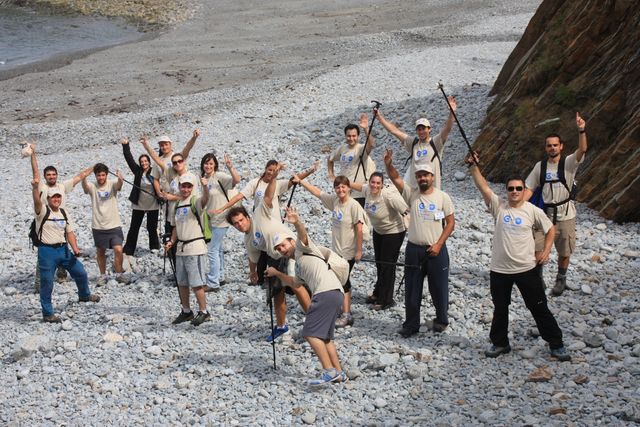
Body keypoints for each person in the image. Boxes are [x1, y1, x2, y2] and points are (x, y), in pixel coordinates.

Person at [466, 152, 571, 361]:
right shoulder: (499, 207)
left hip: (526, 269)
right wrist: (473, 167)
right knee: (500, 308)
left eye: (518, 189)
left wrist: (547, 250)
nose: (514, 192)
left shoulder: (532, 211)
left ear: (524, 191)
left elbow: (551, 229)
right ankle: (500, 343)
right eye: (511, 189)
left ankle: (556, 344)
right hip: (499, 270)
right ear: (506, 191)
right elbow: (483, 186)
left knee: (539, 307)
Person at [226, 164, 311, 341]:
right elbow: (253, 258)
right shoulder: (248, 240)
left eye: (241, 220)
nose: (240, 225)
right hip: (274, 257)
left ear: (247, 217)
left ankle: (314, 319)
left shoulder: (259, 213)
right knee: (275, 291)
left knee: (296, 284)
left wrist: (273, 178)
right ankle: (281, 327)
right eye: (236, 224)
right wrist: (252, 273)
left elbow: (268, 196)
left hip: (289, 249)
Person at [265, 207, 347, 386]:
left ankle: (328, 371)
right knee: (325, 337)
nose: (282, 250)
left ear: (291, 242)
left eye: (284, 245)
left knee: (309, 333)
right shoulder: (299, 263)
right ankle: (339, 372)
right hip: (335, 293)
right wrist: (277, 273)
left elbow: (302, 234)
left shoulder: (303, 248)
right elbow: (295, 283)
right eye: (279, 249)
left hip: (325, 293)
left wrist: (296, 222)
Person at [384, 149, 455, 337]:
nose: (422, 178)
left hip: (437, 249)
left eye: (425, 175)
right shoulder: (411, 194)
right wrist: (389, 164)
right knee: (412, 289)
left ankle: (441, 320)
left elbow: (450, 223)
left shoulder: (442, 197)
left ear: (432, 176)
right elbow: (396, 179)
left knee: (439, 288)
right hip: (414, 249)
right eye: (419, 175)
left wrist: (439, 244)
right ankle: (411, 324)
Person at [523, 113, 588, 296]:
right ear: (545, 148)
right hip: (544, 213)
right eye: (549, 145)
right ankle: (538, 277)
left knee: (565, 249)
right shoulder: (540, 167)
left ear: (561, 147)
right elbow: (529, 187)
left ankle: (561, 279)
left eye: (555, 145)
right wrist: (517, 206)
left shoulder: (568, 163)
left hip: (566, 213)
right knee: (537, 247)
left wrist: (581, 129)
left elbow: (583, 149)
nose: (552, 148)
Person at [294, 174, 367, 328]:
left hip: (348, 251)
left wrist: (359, 251)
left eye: (343, 187)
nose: (340, 190)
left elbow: (359, 229)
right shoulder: (335, 201)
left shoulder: (354, 205)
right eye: (337, 187)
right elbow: (317, 193)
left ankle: (346, 315)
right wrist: (301, 182)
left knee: (344, 281)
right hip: (336, 250)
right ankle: (341, 309)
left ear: (348, 188)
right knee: (339, 279)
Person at [31, 179, 100, 323]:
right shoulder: (43, 211)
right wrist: (34, 189)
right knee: (47, 282)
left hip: (63, 249)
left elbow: (69, 232)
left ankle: (84, 295)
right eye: (53, 197)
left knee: (80, 272)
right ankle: (48, 313)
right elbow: (37, 202)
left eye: (58, 197)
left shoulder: (63, 212)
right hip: (46, 251)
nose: (56, 199)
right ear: (48, 199)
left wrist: (75, 248)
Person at [27, 142, 92, 291]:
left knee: (64, 247)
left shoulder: (62, 186)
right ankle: (39, 284)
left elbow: (79, 177)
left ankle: (62, 273)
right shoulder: (42, 187)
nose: (51, 177)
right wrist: (33, 154)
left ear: (56, 176)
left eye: (53, 174)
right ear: (45, 177)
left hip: (62, 220)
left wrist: (95, 168)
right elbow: (35, 173)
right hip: (45, 221)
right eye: (48, 175)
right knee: (43, 253)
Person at [350, 172, 408, 310]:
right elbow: (357, 186)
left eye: (378, 183)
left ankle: (386, 299)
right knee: (379, 263)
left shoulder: (388, 195)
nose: (375, 185)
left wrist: (414, 231)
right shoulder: (367, 190)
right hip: (379, 231)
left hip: (394, 231)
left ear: (382, 185)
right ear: (369, 183)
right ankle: (378, 292)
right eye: (373, 182)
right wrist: (341, 181)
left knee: (388, 265)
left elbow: (406, 211)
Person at [376, 96, 457, 189]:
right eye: (419, 129)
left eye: (424, 129)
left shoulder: (436, 142)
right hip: (415, 189)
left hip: (432, 189)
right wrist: (379, 117)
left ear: (429, 129)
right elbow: (394, 131)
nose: (421, 132)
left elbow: (447, 129)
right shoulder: (413, 143)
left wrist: (452, 112)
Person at [163, 174, 211, 326]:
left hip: (195, 247)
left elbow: (205, 200)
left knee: (196, 283)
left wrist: (205, 187)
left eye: (189, 186)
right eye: (183, 186)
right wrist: (172, 241)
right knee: (182, 282)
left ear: (193, 187)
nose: (186, 189)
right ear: (179, 186)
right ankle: (186, 311)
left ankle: (204, 311)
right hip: (181, 248)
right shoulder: (177, 204)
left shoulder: (195, 200)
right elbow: (176, 226)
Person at [140, 130, 200, 234]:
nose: (177, 164)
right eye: (161, 145)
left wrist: (194, 138)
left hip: (182, 198)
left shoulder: (183, 165)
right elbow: (157, 164)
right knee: (171, 224)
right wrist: (159, 193)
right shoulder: (165, 166)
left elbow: (187, 148)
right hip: (168, 199)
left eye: (166, 144)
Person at [214, 159, 318, 219]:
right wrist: (223, 208)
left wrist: (311, 170)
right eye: (269, 170)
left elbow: (296, 179)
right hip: (260, 219)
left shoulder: (279, 184)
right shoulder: (255, 182)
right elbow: (238, 197)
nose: (271, 173)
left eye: (274, 171)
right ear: (265, 169)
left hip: (275, 220)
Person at [201, 152, 241, 292]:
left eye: (211, 163)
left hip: (222, 219)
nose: (208, 166)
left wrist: (231, 167)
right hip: (211, 219)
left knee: (212, 250)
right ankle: (221, 276)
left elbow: (236, 180)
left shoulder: (220, 176)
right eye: (206, 163)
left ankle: (213, 283)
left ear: (215, 165)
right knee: (217, 249)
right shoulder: (205, 179)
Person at [82, 163, 128, 285]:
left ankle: (119, 274)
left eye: (103, 175)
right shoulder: (93, 186)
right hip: (98, 225)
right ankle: (102, 275)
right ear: (95, 176)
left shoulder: (112, 183)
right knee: (100, 251)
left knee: (118, 249)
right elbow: (86, 188)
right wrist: (84, 177)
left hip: (114, 224)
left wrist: (120, 178)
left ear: (106, 175)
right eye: (98, 175)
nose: (101, 178)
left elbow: (118, 185)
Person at [121, 138, 161, 258]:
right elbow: (129, 159)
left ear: (149, 162)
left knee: (151, 227)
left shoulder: (154, 171)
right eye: (142, 161)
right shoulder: (137, 171)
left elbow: (158, 158)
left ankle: (154, 247)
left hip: (152, 203)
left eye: (145, 161)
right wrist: (125, 145)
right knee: (134, 227)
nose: (144, 163)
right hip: (138, 203)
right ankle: (128, 250)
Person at [327, 113, 376, 207]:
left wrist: (366, 129)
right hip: (344, 192)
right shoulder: (342, 148)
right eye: (349, 136)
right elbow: (330, 158)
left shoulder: (361, 148)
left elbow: (371, 144)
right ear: (345, 136)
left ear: (358, 136)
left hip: (359, 193)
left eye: (354, 136)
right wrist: (331, 174)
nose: (351, 138)